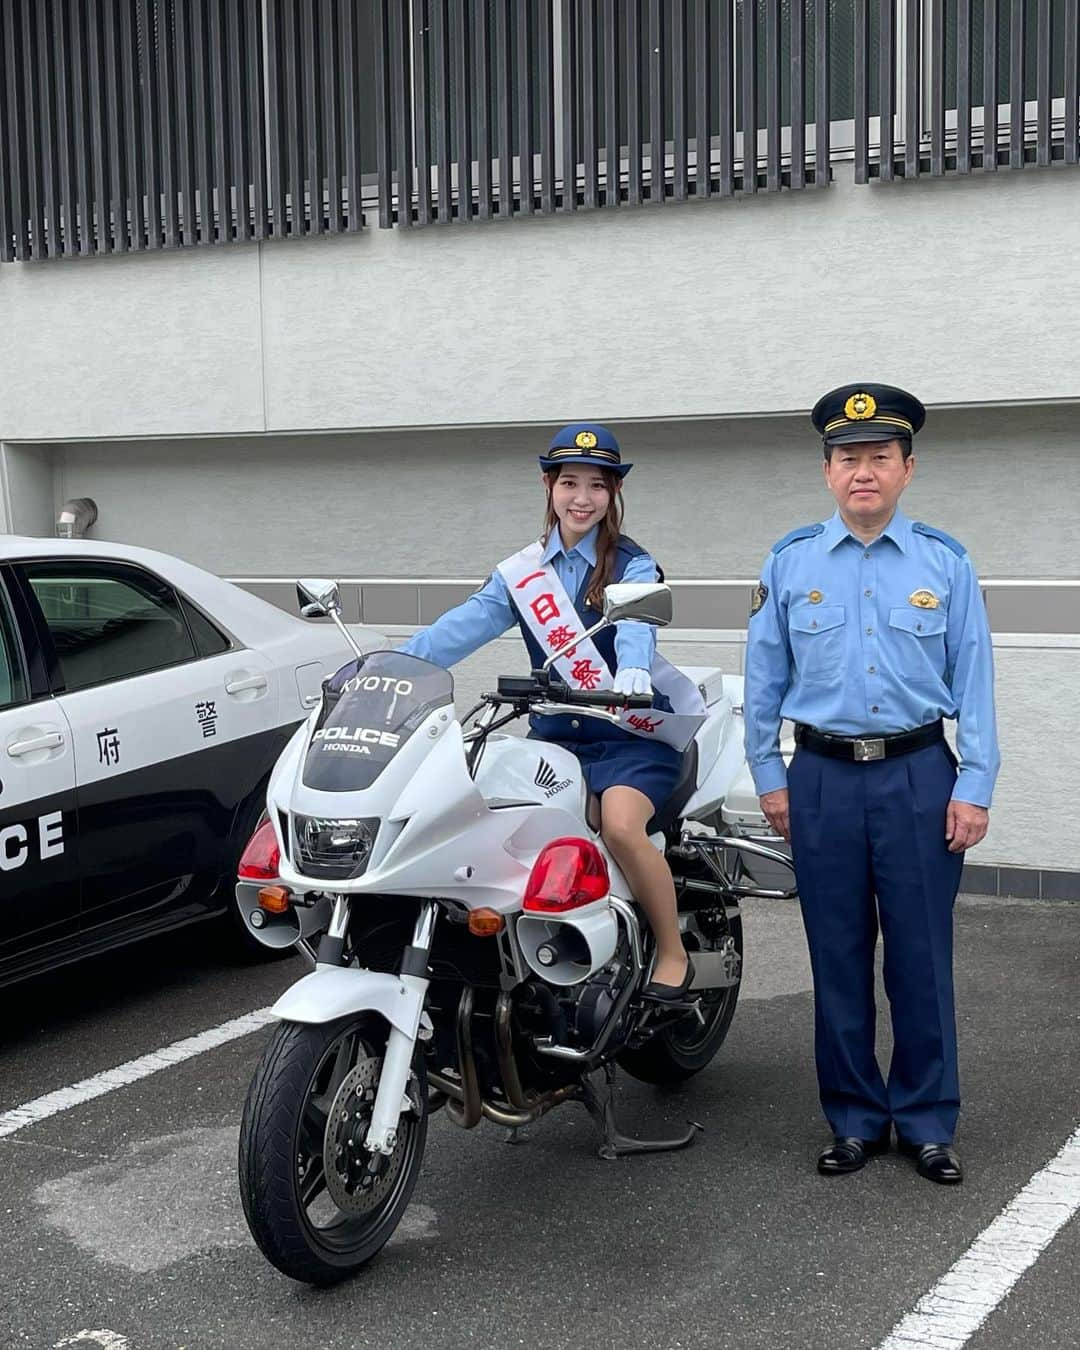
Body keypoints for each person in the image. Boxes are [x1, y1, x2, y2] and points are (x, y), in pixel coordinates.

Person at [744, 383, 1000, 1185]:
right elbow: (763, 678)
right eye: (848, 458)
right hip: (819, 777)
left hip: (921, 777)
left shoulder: (944, 563)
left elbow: (977, 680)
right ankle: (853, 1118)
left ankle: (926, 1121)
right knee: (839, 955)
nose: (863, 472)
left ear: (907, 467)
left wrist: (977, 783)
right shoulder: (789, 563)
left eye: (878, 457)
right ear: (828, 473)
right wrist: (768, 775)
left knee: (921, 958)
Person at [400, 423, 706, 1000]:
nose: (582, 498)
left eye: (597, 485)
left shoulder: (634, 566)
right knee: (498, 816)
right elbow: (458, 629)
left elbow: (636, 624)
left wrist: (633, 675)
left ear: (614, 492)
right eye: (570, 483)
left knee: (617, 826)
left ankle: (672, 952)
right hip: (556, 736)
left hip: (628, 733)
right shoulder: (523, 573)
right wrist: (390, 666)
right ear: (548, 485)